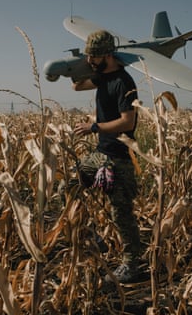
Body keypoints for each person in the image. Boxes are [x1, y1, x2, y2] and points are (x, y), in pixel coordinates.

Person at [70, 29, 141, 283]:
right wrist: (73, 67)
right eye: (89, 56)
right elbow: (77, 85)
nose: (91, 61)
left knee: (121, 213)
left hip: (120, 157)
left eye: (95, 57)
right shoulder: (101, 78)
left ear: (108, 55)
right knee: (69, 184)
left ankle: (132, 265)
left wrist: (95, 127)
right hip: (101, 154)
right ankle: (93, 237)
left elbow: (126, 122)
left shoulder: (124, 82)